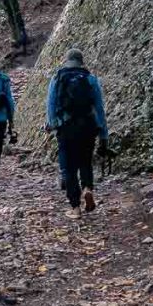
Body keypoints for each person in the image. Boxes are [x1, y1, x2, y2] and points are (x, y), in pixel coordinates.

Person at [46, 48, 108, 219]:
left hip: (66, 129)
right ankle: (88, 188)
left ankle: (75, 208)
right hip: (88, 127)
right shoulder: (90, 79)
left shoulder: (57, 78)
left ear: (66, 61)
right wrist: (103, 134)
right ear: (81, 62)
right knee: (85, 161)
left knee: (69, 168)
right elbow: (99, 109)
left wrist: (52, 125)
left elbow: (51, 106)